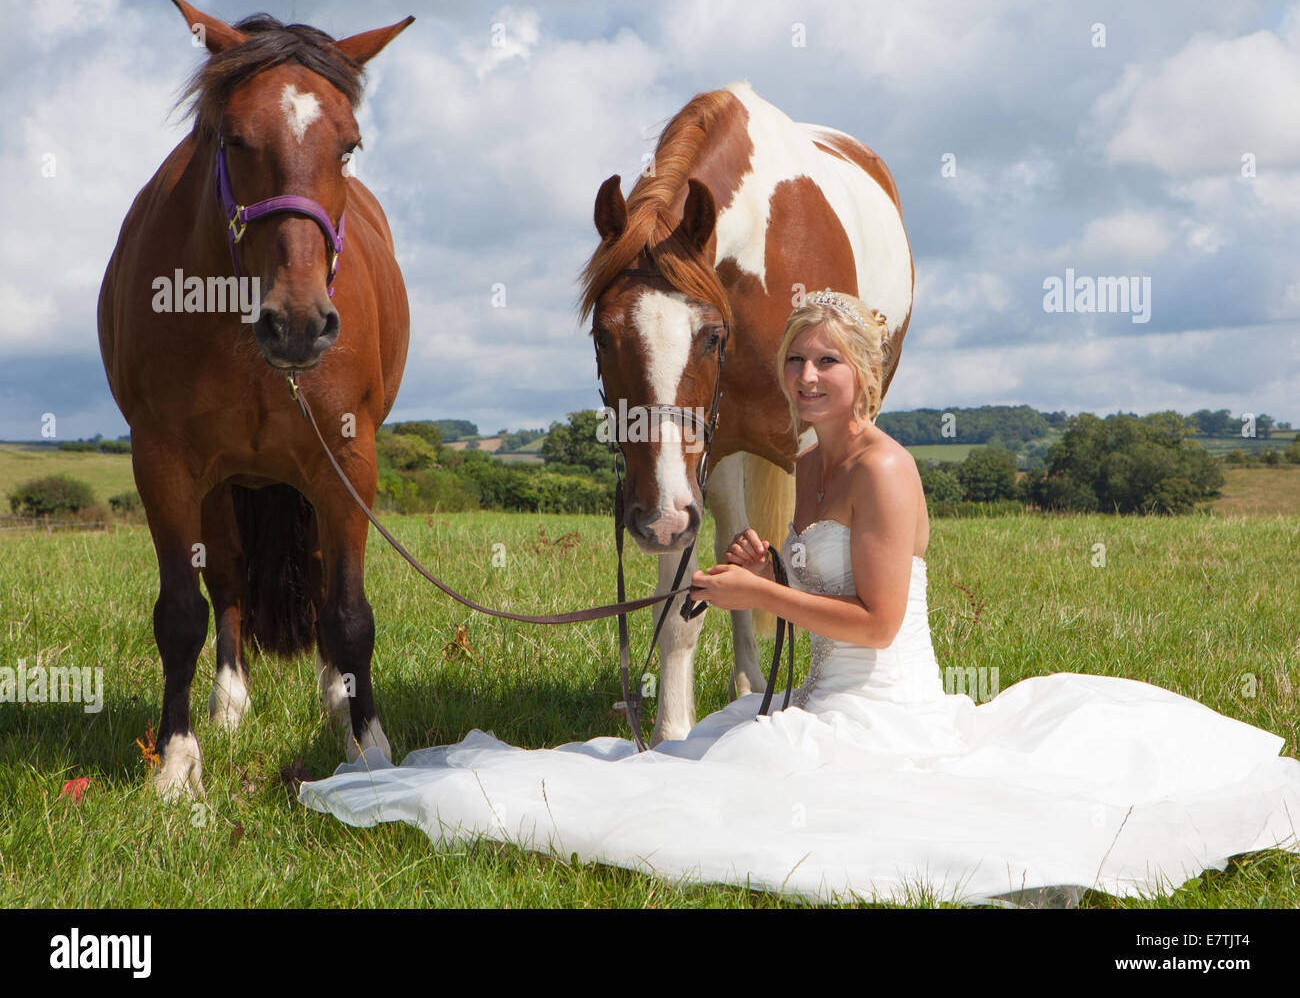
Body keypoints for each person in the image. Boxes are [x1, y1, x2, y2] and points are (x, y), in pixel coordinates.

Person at [298, 290, 1300, 907]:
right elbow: (826, 581)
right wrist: (768, 572)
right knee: (695, 766)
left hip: (880, 705)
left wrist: (749, 592)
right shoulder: (811, 460)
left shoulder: (885, 468)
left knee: (724, 793)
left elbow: (878, 622)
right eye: (795, 360)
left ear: (861, 374)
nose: (806, 374)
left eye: (826, 360)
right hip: (819, 697)